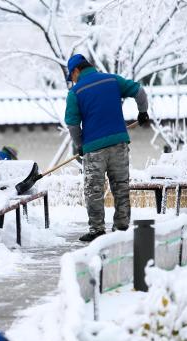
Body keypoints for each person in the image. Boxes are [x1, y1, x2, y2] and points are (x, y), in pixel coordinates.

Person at [64, 54, 149, 242]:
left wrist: (80, 145)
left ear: (76, 70)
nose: (73, 81)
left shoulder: (76, 93)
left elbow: (72, 124)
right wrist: (142, 112)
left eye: (72, 77)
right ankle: (122, 226)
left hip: (94, 148)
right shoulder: (112, 80)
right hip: (119, 143)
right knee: (121, 186)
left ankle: (97, 229)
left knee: (93, 189)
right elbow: (140, 92)